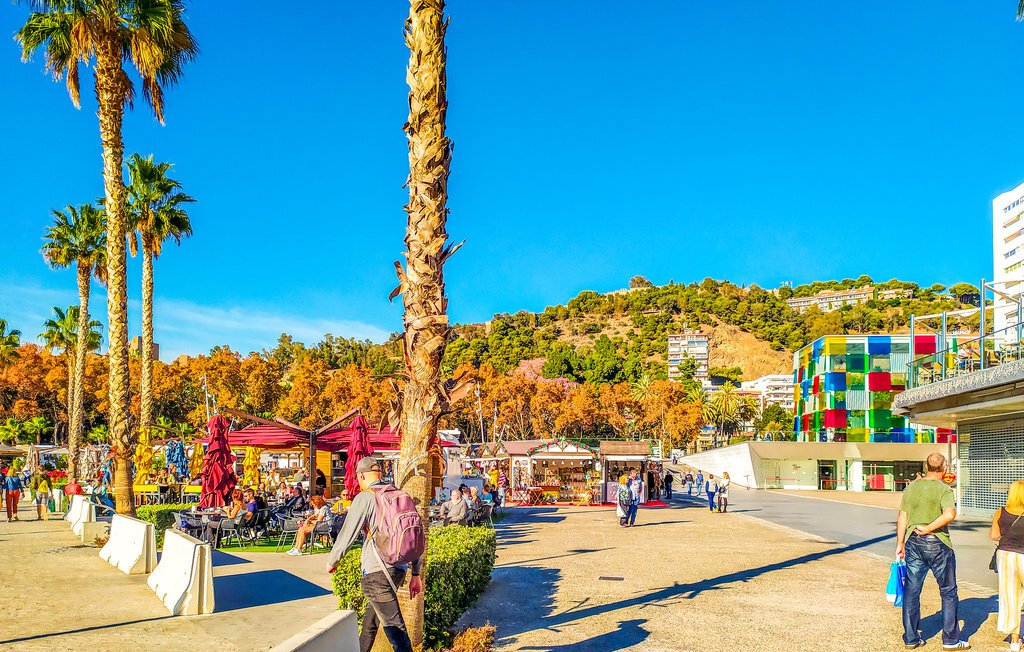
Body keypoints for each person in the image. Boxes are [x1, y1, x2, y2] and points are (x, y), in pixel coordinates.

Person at [325, 457, 422, 652]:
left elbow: (348, 532)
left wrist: (332, 561)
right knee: (370, 623)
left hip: (376, 572)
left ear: (361, 476)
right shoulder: (399, 494)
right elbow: (414, 535)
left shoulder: (366, 497)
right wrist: (416, 574)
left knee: (395, 629)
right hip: (398, 569)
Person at [895, 452, 970, 650]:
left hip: (912, 541)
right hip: (938, 543)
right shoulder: (944, 489)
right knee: (948, 592)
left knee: (912, 590)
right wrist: (928, 528)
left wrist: (900, 543)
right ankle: (951, 640)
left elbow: (902, 516)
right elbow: (949, 514)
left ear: (926, 466)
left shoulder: (911, 488)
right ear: (944, 468)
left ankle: (911, 638)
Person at [991, 480, 1024, 652]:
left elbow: (994, 536)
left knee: (1011, 597)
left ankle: (1015, 641)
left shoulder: (1001, 512)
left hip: (1006, 556)